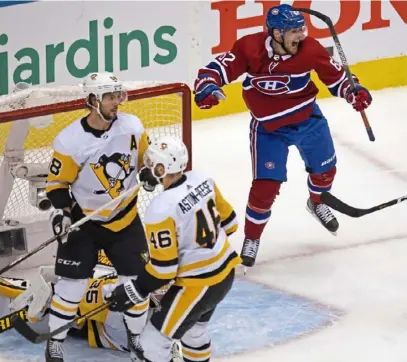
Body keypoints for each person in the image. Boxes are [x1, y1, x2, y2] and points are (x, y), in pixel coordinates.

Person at [193, 4, 373, 267]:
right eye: (294, 31)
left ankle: (316, 202)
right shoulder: (249, 48)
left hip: (307, 120)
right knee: (265, 189)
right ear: (276, 33)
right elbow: (215, 70)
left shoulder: (310, 49)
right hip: (268, 129)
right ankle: (252, 238)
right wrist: (207, 87)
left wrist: (353, 91)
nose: (300, 36)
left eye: (302, 29)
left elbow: (337, 79)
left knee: (325, 173)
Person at [44, 72, 157, 361]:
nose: (117, 102)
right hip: (86, 221)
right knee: (71, 287)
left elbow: (148, 157)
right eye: (110, 97)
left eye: (118, 95)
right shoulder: (69, 141)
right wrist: (62, 214)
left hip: (125, 217)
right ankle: (55, 342)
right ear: (93, 100)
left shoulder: (132, 126)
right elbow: (57, 185)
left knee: (136, 286)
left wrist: (148, 171)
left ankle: (135, 337)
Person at [105, 135, 241, 362]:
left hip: (198, 285)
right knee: (194, 334)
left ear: (161, 168)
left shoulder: (161, 209)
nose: (146, 169)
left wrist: (133, 290)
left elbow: (164, 270)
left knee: (151, 345)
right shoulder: (203, 178)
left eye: (151, 165)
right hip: (225, 273)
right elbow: (231, 224)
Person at [0, 263, 182, 361]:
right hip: (97, 310)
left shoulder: (175, 320)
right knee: (52, 296)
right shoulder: (121, 296)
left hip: (99, 331)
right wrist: (52, 297)